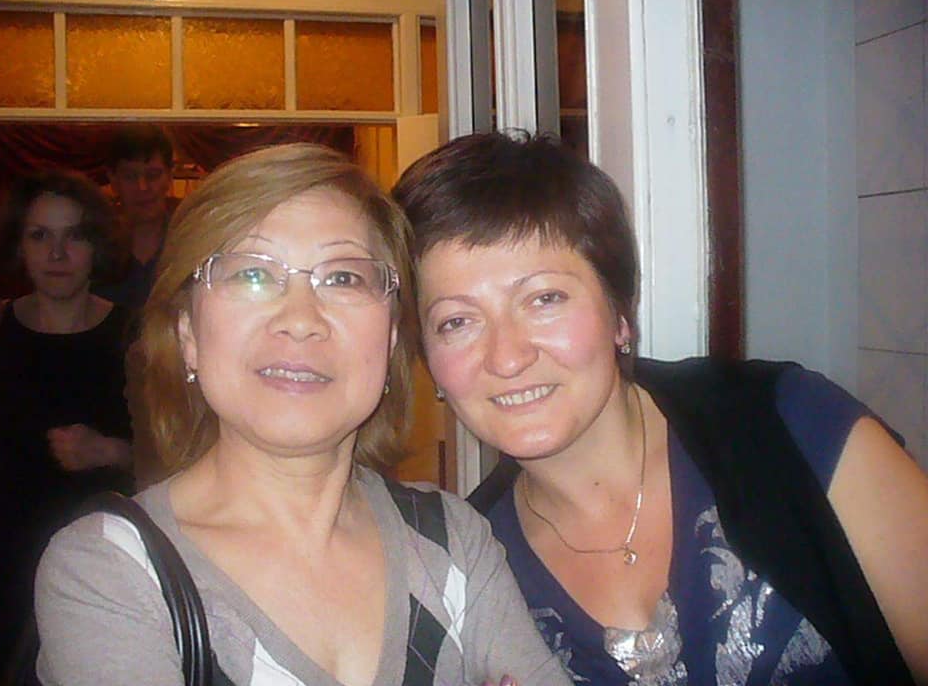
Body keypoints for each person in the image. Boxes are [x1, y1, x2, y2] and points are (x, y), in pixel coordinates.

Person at [392, 131, 928, 685]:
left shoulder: (788, 424)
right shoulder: (473, 573)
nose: (507, 357)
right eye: (456, 322)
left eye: (544, 299)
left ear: (620, 314)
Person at [34, 143, 570, 686]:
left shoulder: (453, 541)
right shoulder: (110, 568)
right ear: (188, 333)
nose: (300, 319)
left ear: (390, 338)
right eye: (251, 274)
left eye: (343, 279)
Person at [0, 170, 134, 685]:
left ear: (97, 245)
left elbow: (181, 455)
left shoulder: (135, 334)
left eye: (74, 236)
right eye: (40, 235)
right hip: (3, 562)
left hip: (107, 563)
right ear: (19, 245)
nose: (57, 254)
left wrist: (109, 450)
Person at [96, 123, 177, 312]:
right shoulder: (94, 250)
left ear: (169, 177)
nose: (142, 187)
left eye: (153, 175)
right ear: (113, 179)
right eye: (130, 176)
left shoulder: (188, 245)